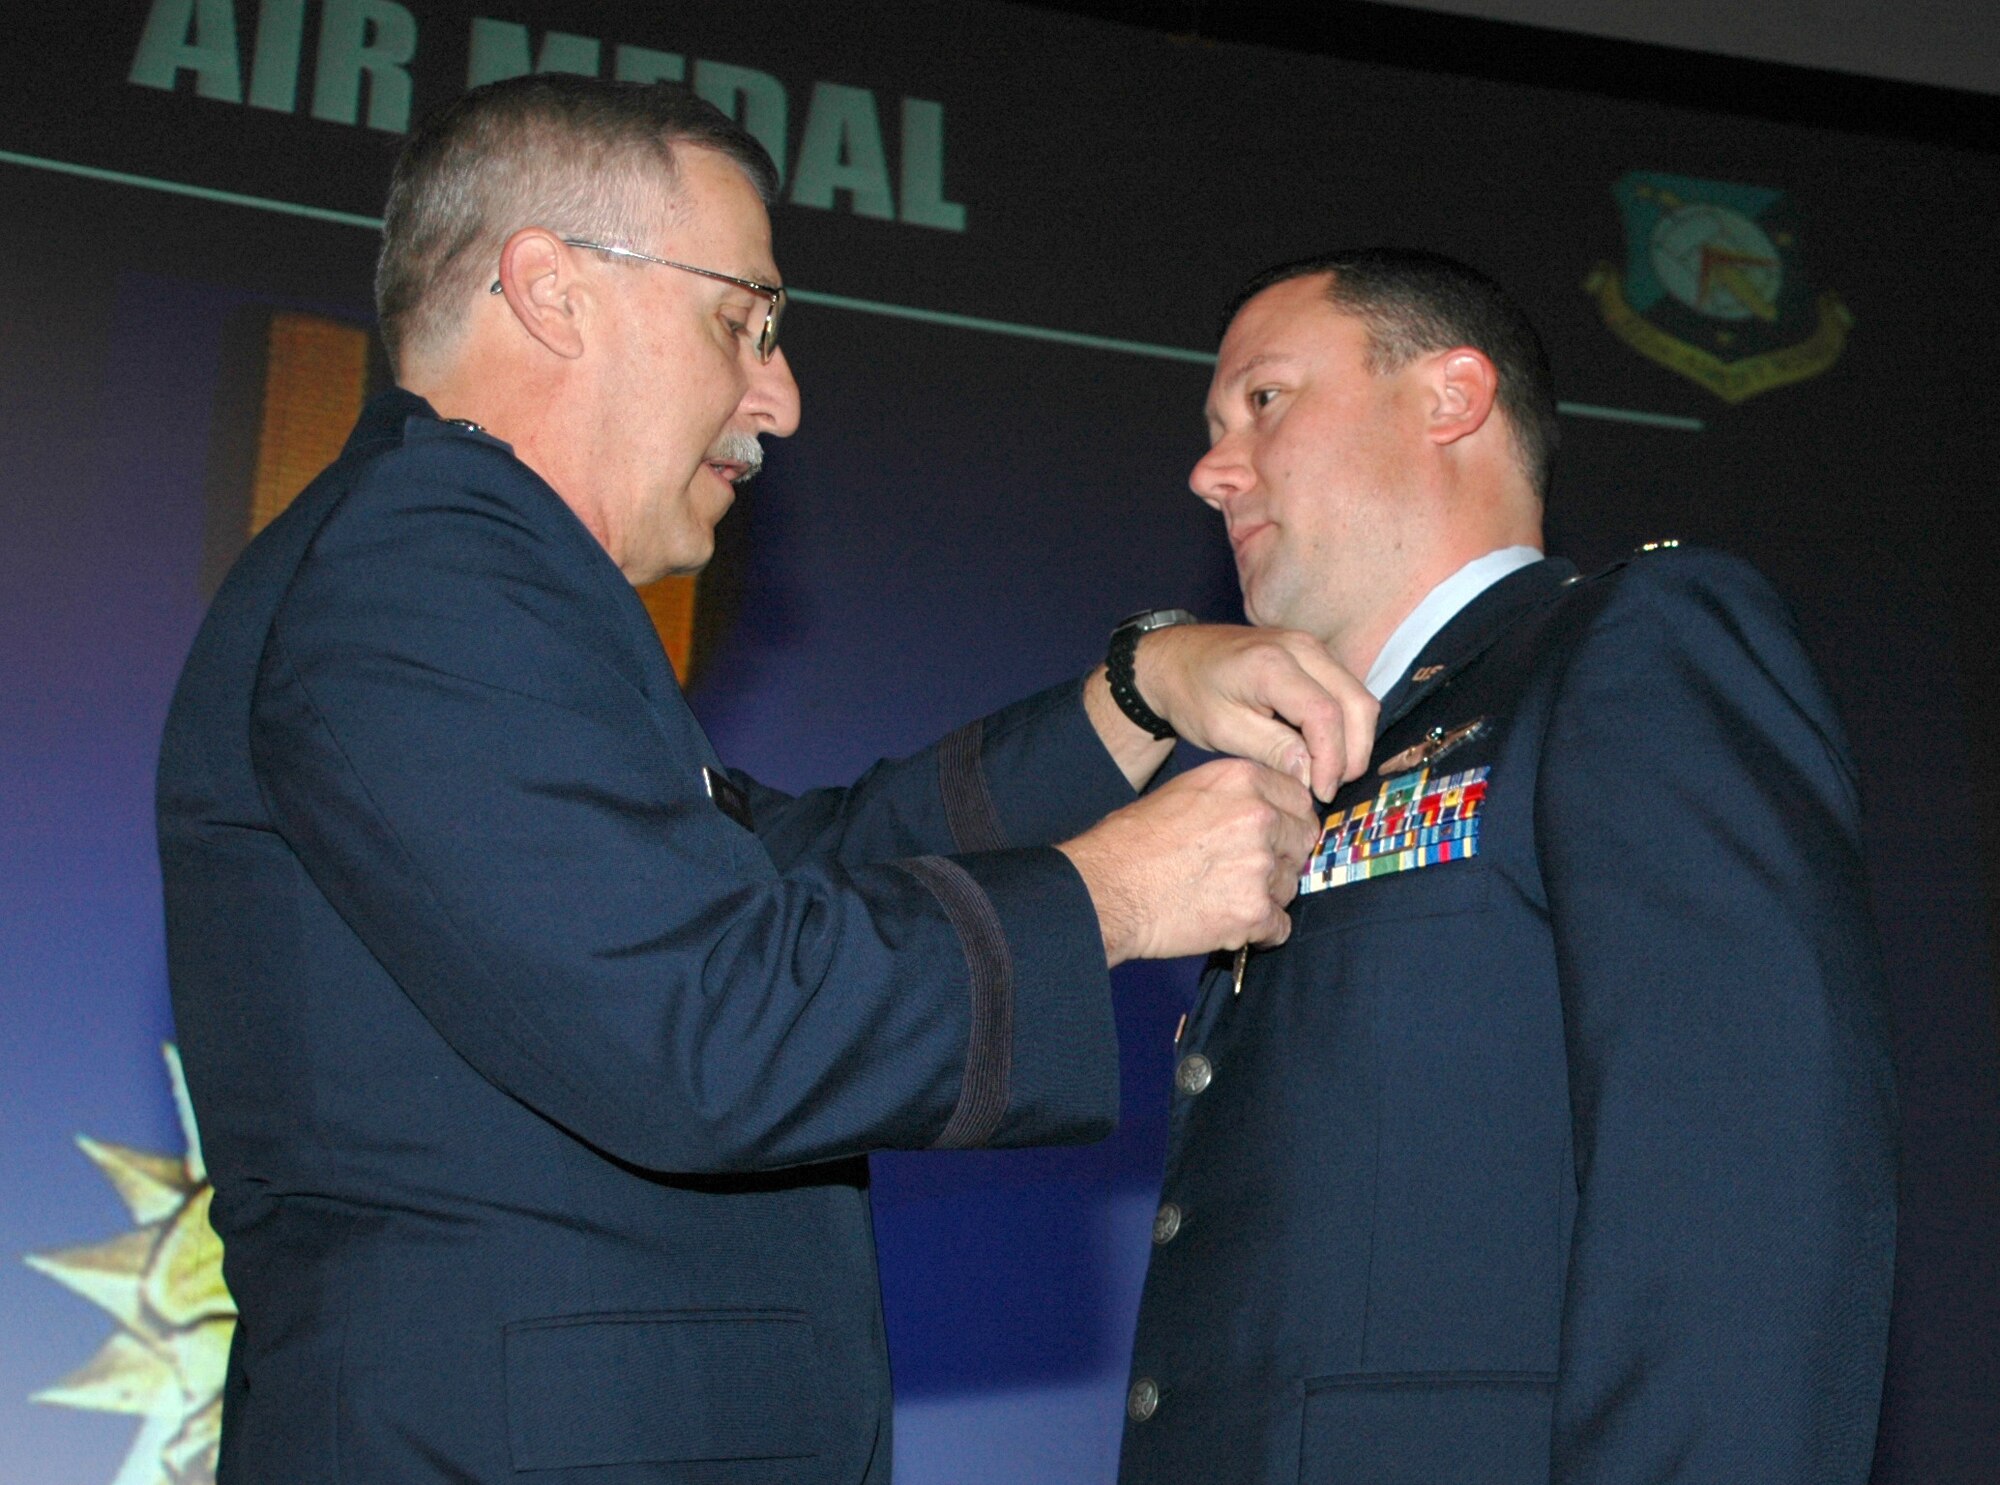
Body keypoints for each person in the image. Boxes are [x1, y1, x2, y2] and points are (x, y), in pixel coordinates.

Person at [156, 77, 1377, 1484]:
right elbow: (702, 1021)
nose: (780, 397)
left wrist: (1136, 696)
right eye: (744, 320)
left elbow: (796, 870)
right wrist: (1112, 893)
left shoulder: (470, 577)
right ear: (554, 291)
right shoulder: (424, 564)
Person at [1117, 249, 1898, 1485]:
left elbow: (1743, 1204)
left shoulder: (1631, 648)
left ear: (1451, 397)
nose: (1211, 471)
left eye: (1260, 402)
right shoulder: (1316, 772)